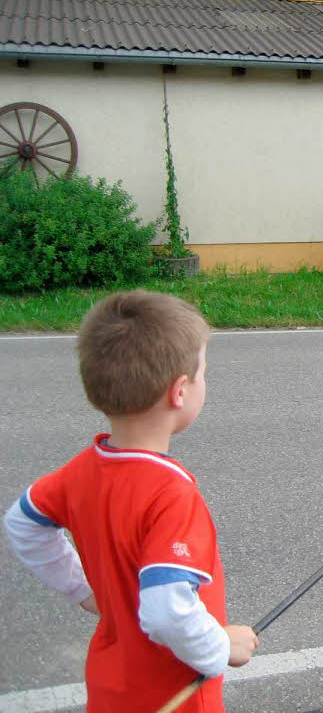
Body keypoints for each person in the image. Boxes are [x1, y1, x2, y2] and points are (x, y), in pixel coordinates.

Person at [3, 290, 258, 712]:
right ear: (180, 391)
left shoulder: (82, 470)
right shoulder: (172, 495)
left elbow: (23, 521)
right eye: (203, 373)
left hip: (110, 690)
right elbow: (165, 612)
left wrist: (81, 589)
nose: (204, 382)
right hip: (176, 698)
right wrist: (220, 646)